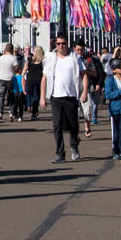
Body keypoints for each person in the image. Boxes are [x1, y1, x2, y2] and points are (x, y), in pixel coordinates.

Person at [40, 36, 85, 164]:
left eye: (63, 43)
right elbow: (44, 78)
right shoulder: (50, 59)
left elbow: (84, 75)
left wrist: (84, 91)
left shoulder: (75, 58)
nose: (60, 46)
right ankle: (60, 153)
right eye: (58, 43)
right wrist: (42, 97)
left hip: (71, 96)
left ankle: (74, 146)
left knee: (73, 124)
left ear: (67, 44)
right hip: (56, 96)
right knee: (57, 125)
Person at [81, 53, 104, 139]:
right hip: (76, 88)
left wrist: (99, 84)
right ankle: (77, 133)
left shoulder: (93, 61)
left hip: (91, 86)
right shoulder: (72, 59)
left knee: (90, 107)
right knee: (75, 111)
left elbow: (99, 73)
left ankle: (89, 123)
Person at [0, 44, 18, 123]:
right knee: (11, 96)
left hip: (1, 78)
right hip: (10, 79)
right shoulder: (14, 58)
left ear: (5, 49)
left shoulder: (0, 58)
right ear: (12, 50)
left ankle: (0, 113)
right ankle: (11, 113)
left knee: (1, 96)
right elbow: (16, 68)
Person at [26, 46, 45, 120]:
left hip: (30, 80)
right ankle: (34, 113)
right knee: (36, 97)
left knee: (29, 94)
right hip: (38, 81)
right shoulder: (43, 62)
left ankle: (28, 106)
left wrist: (22, 76)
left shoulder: (30, 59)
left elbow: (25, 68)